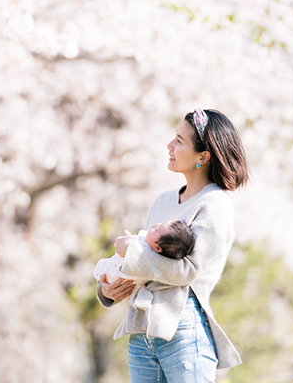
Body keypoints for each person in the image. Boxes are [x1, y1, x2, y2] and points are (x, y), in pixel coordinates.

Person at [97, 108, 250, 383]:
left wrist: (132, 254)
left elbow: (187, 271)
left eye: (179, 141)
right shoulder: (164, 201)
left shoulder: (215, 205)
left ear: (203, 157)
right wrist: (109, 286)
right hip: (142, 330)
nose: (169, 146)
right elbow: (146, 256)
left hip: (183, 327)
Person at [93, 220, 196, 283]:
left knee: (102, 267)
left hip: (113, 274)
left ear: (157, 248)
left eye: (157, 230)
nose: (155, 224)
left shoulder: (145, 253)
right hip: (109, 280)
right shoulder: (151, 244)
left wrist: (130, 249)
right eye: (160, 224)